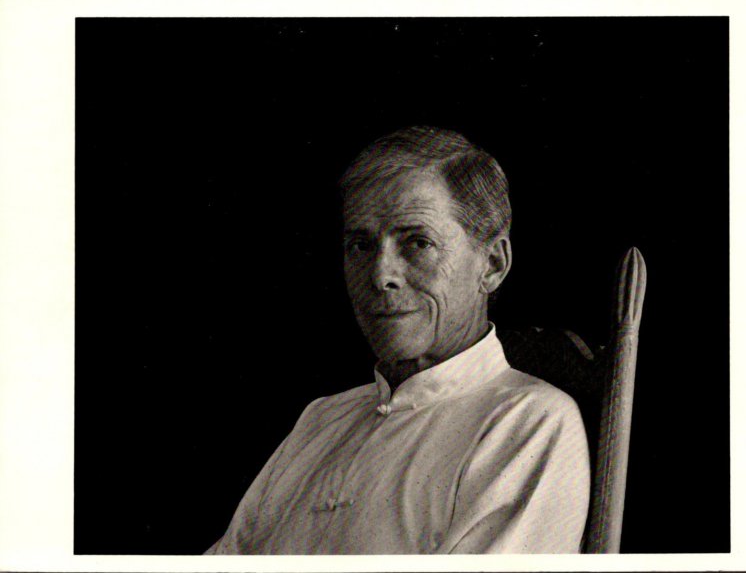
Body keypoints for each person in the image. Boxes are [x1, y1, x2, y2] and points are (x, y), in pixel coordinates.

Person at [205, 126, 590, 554]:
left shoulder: (529, 423)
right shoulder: (320, 419)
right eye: (361, 245)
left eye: (417, 242)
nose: (380, 274)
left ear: (492, 265)